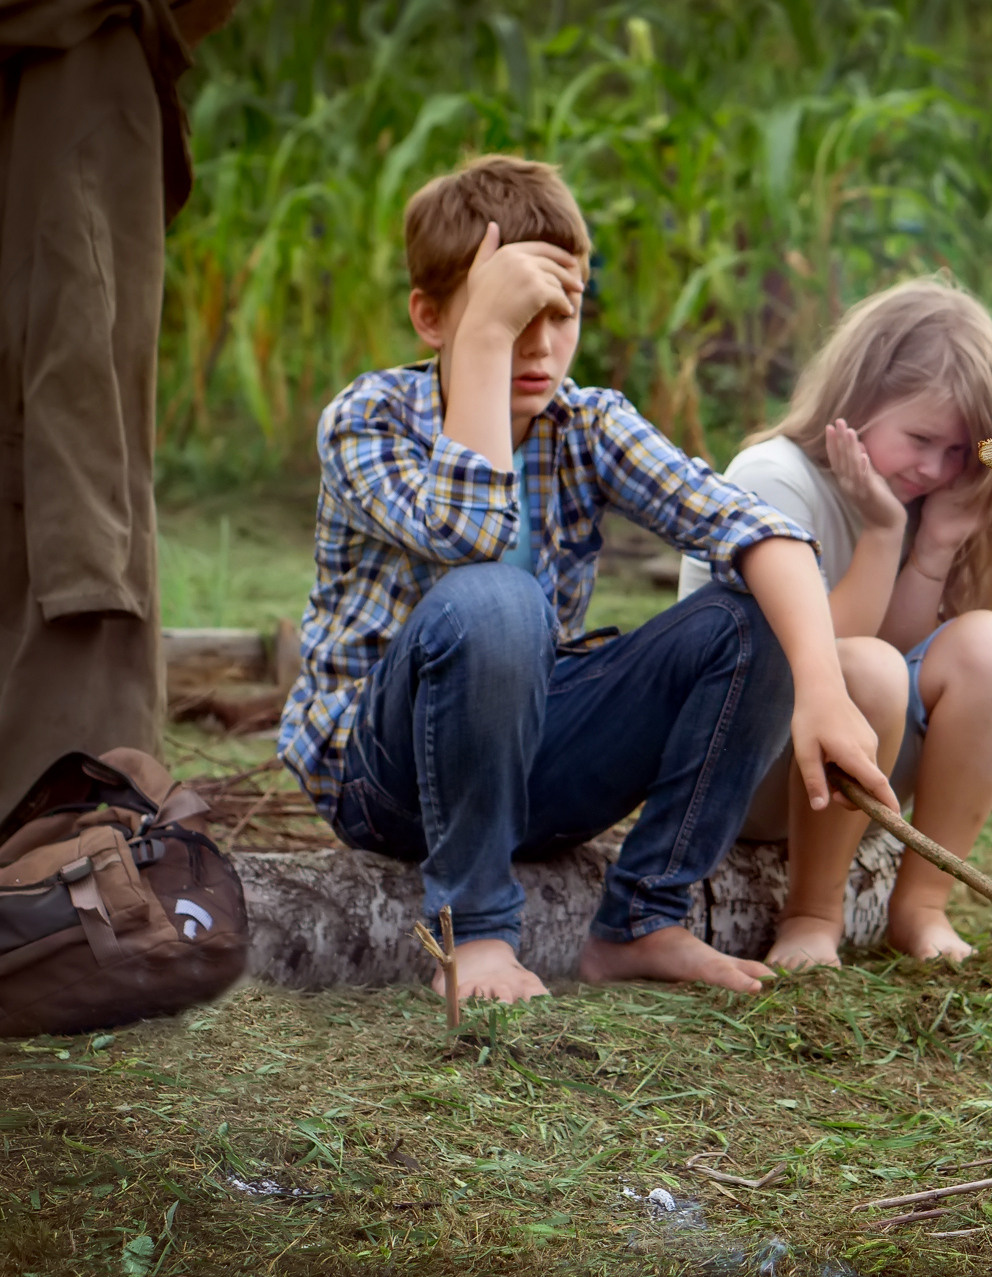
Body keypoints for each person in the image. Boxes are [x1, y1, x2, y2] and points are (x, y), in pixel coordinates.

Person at [276, 155, 895, 1003]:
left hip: (529, 764)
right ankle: (479, 934)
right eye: (511, 316)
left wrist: (821, 688)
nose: (539, 346)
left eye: (558, 314)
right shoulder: (369, 417)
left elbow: (761, 528)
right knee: (499, 598)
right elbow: (471, 538)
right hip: (381, 782)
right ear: (430, 315)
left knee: (761, 609)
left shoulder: (588, 420)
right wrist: (484, 344)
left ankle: (644, 917)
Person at [679, 278, 992, 969]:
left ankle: (921, 903)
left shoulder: (911, 490)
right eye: (923, 438)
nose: (936, 468)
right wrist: (881, 531)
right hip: (736, 761)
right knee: (862, 669)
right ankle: (813, 913)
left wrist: (933, 547)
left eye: (959, 452)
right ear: (859, 396)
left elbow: (896, 657)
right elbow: (805, 657)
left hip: (833, 766)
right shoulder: (775, 478)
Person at [0, 0, 237, 816]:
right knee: (68, 435)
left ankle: (76, 794)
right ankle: (68, 804)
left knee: (75, 438)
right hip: (73, 84)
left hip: (88, 88)